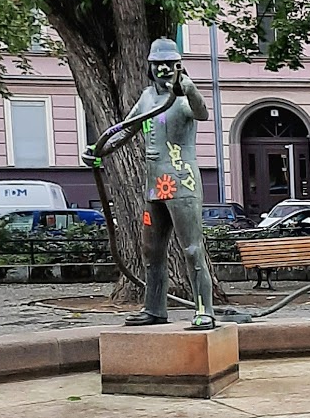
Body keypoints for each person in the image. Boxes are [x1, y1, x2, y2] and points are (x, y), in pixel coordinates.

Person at [85, 37, 215, 329]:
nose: (163, 69)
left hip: (182, 183)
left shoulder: (183, 96)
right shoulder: (146, 98)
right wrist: (98, 150)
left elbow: (202, 113)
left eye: (169, 64)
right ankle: (154, 309)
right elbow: (125, 130)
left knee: (192, 249)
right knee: (151, 251)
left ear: (179, 66)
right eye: (158, 64)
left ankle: (204, 310)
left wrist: (190, 89)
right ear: (150, 67)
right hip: (154, 186)